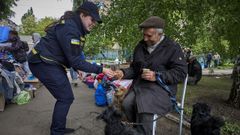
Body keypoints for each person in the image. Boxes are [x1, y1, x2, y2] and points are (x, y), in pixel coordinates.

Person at [27, 1, 114, 135]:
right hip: (42, 62)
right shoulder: (70, 29)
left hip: (49, 62)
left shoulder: (75, 27)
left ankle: (58, 128)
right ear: (82, 15)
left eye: (95, 21)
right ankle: (57, 131)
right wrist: (101, 69)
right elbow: (76, 59)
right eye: (92, 19)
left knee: (65, 97)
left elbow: (75, 53)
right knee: (65, 97)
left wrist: (78, 66)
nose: (94, 23)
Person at [114, 16, 187, 135]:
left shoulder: (172, 47)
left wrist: (157, 75)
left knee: (144, 109)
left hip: (161, 89)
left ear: (160, 34)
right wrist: (123, 72)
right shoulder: (140, 46)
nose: (145, 38)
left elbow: (181, 72)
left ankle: (142, 131)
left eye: (149, 35)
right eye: (144, 34)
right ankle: (138, 130)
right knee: (126, 104)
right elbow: (135, 68)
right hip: (140, 87)